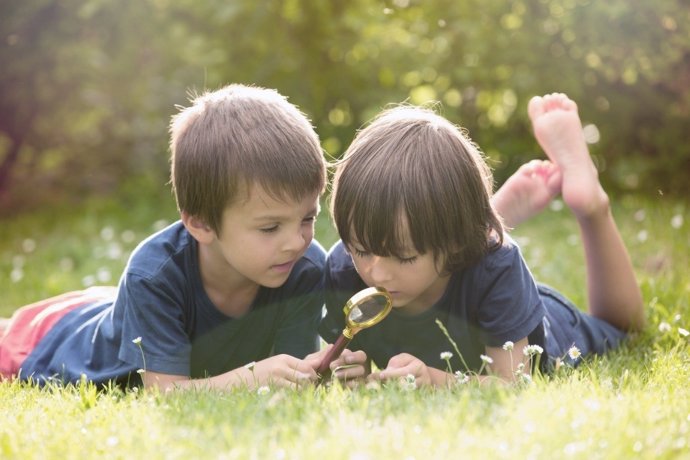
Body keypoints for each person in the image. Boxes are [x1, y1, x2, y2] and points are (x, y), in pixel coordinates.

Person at [0, 84, 328, 391]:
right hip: (52, 340)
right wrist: (254, 376)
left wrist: (331, 366)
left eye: (308, 218)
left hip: (121, 307)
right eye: (270, 227)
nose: (296, 242)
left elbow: (295, 373)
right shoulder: (153, 274)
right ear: (200, 224)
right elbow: (165, 392)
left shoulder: (306, 267)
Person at [319, 93, 644, 386]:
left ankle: (591, 207)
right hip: (462, 258)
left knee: (624, 327)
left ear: (455, 243)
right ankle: (488, 216)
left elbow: (512, 384)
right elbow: (355, 372)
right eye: (360, 250)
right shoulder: (344, 270)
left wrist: (433, 380)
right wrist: (353, 374)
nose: (376, 273)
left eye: (404, 257)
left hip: (537, 322)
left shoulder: (497, 267)